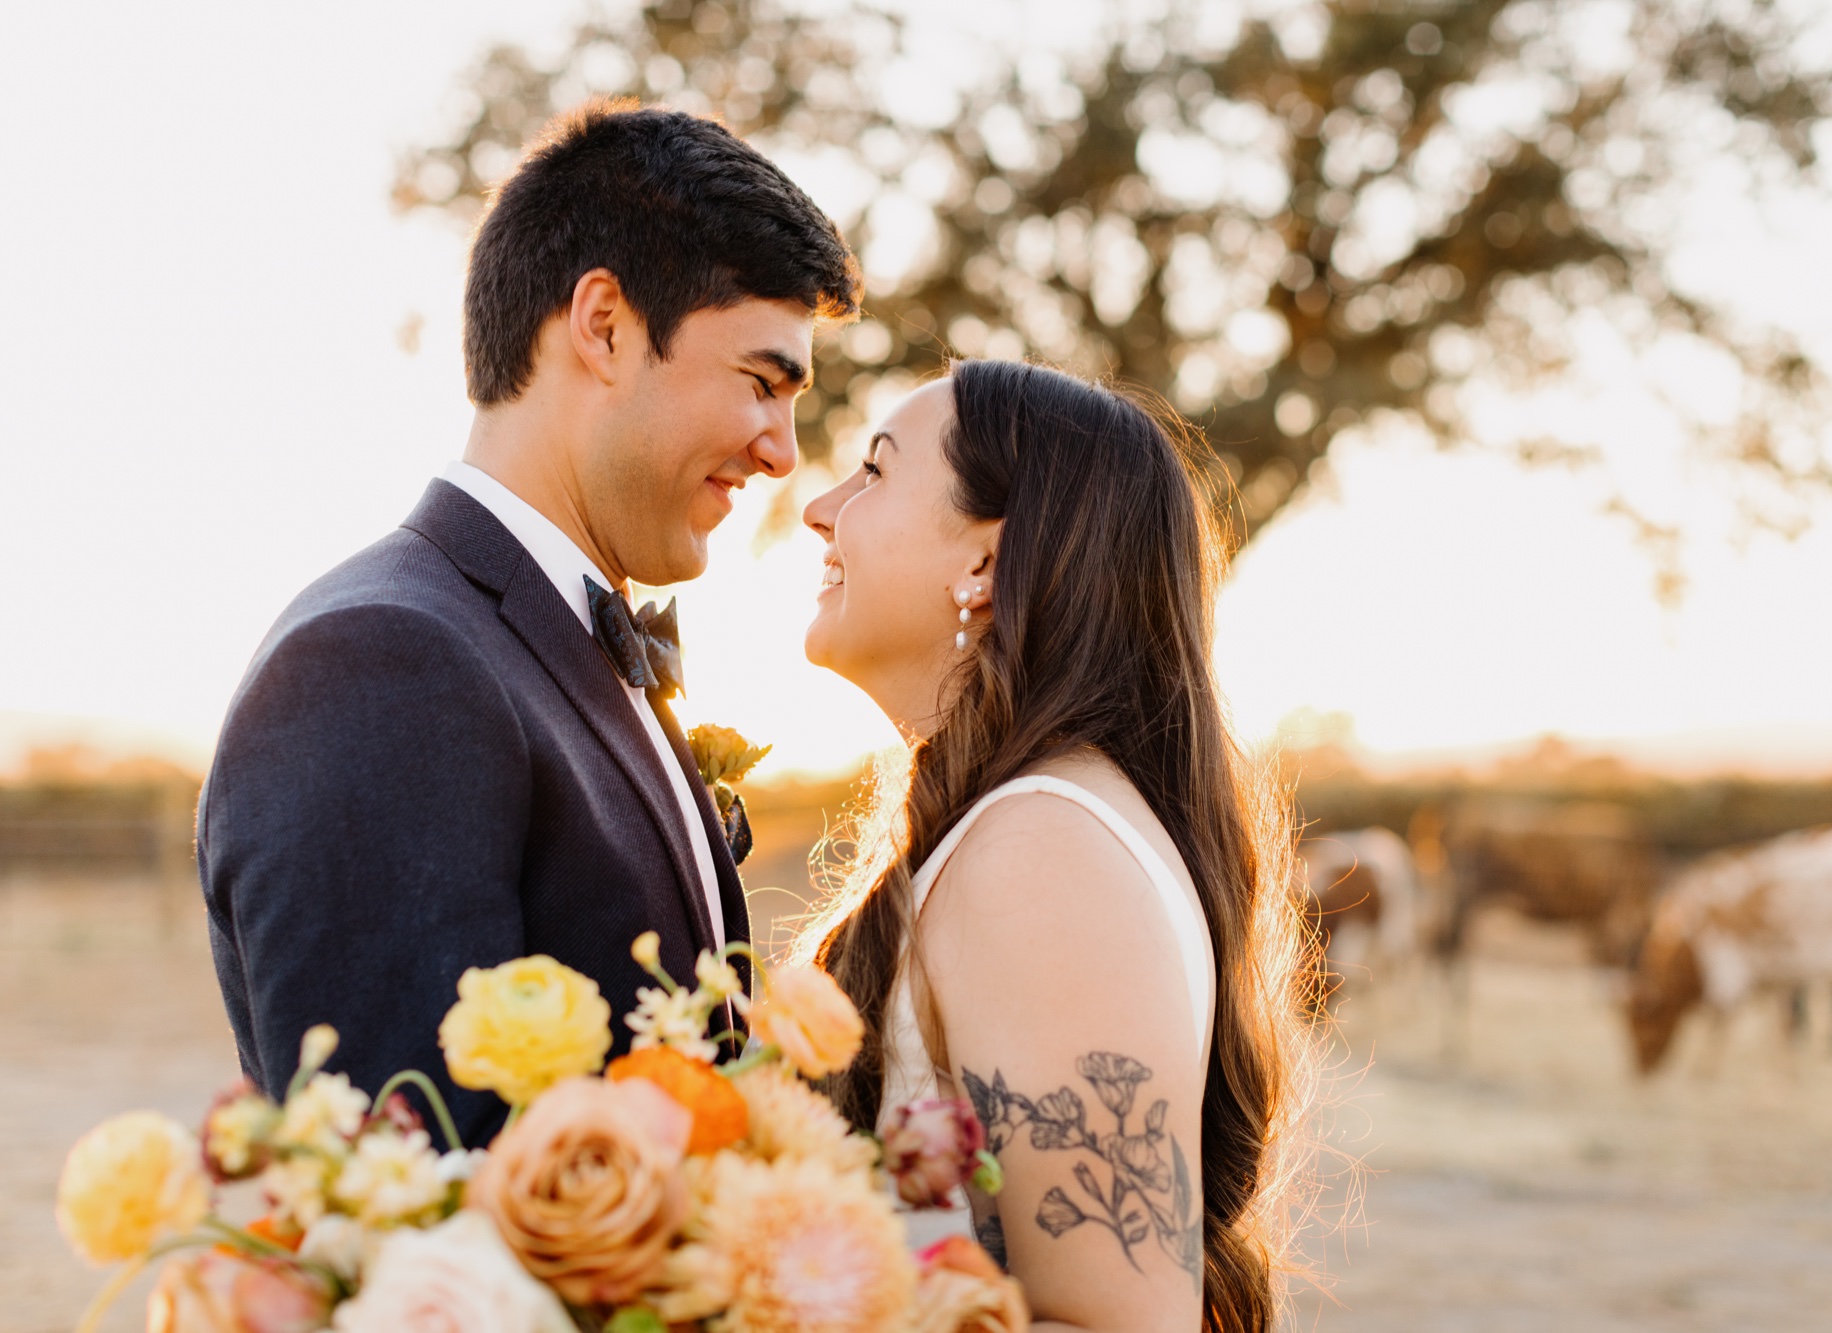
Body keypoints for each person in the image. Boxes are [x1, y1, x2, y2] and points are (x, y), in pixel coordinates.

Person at [198, 103, 859, 1146]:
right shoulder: (380, 664)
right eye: (761, 382)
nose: (781, 451)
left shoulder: (545, 642)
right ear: (603, 325)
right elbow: (409, 1198)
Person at [800, 360, 1307, 1332]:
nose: (820, 509)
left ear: (984, 563)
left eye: (871, 471)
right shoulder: (1027, 824)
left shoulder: (1039, 854)